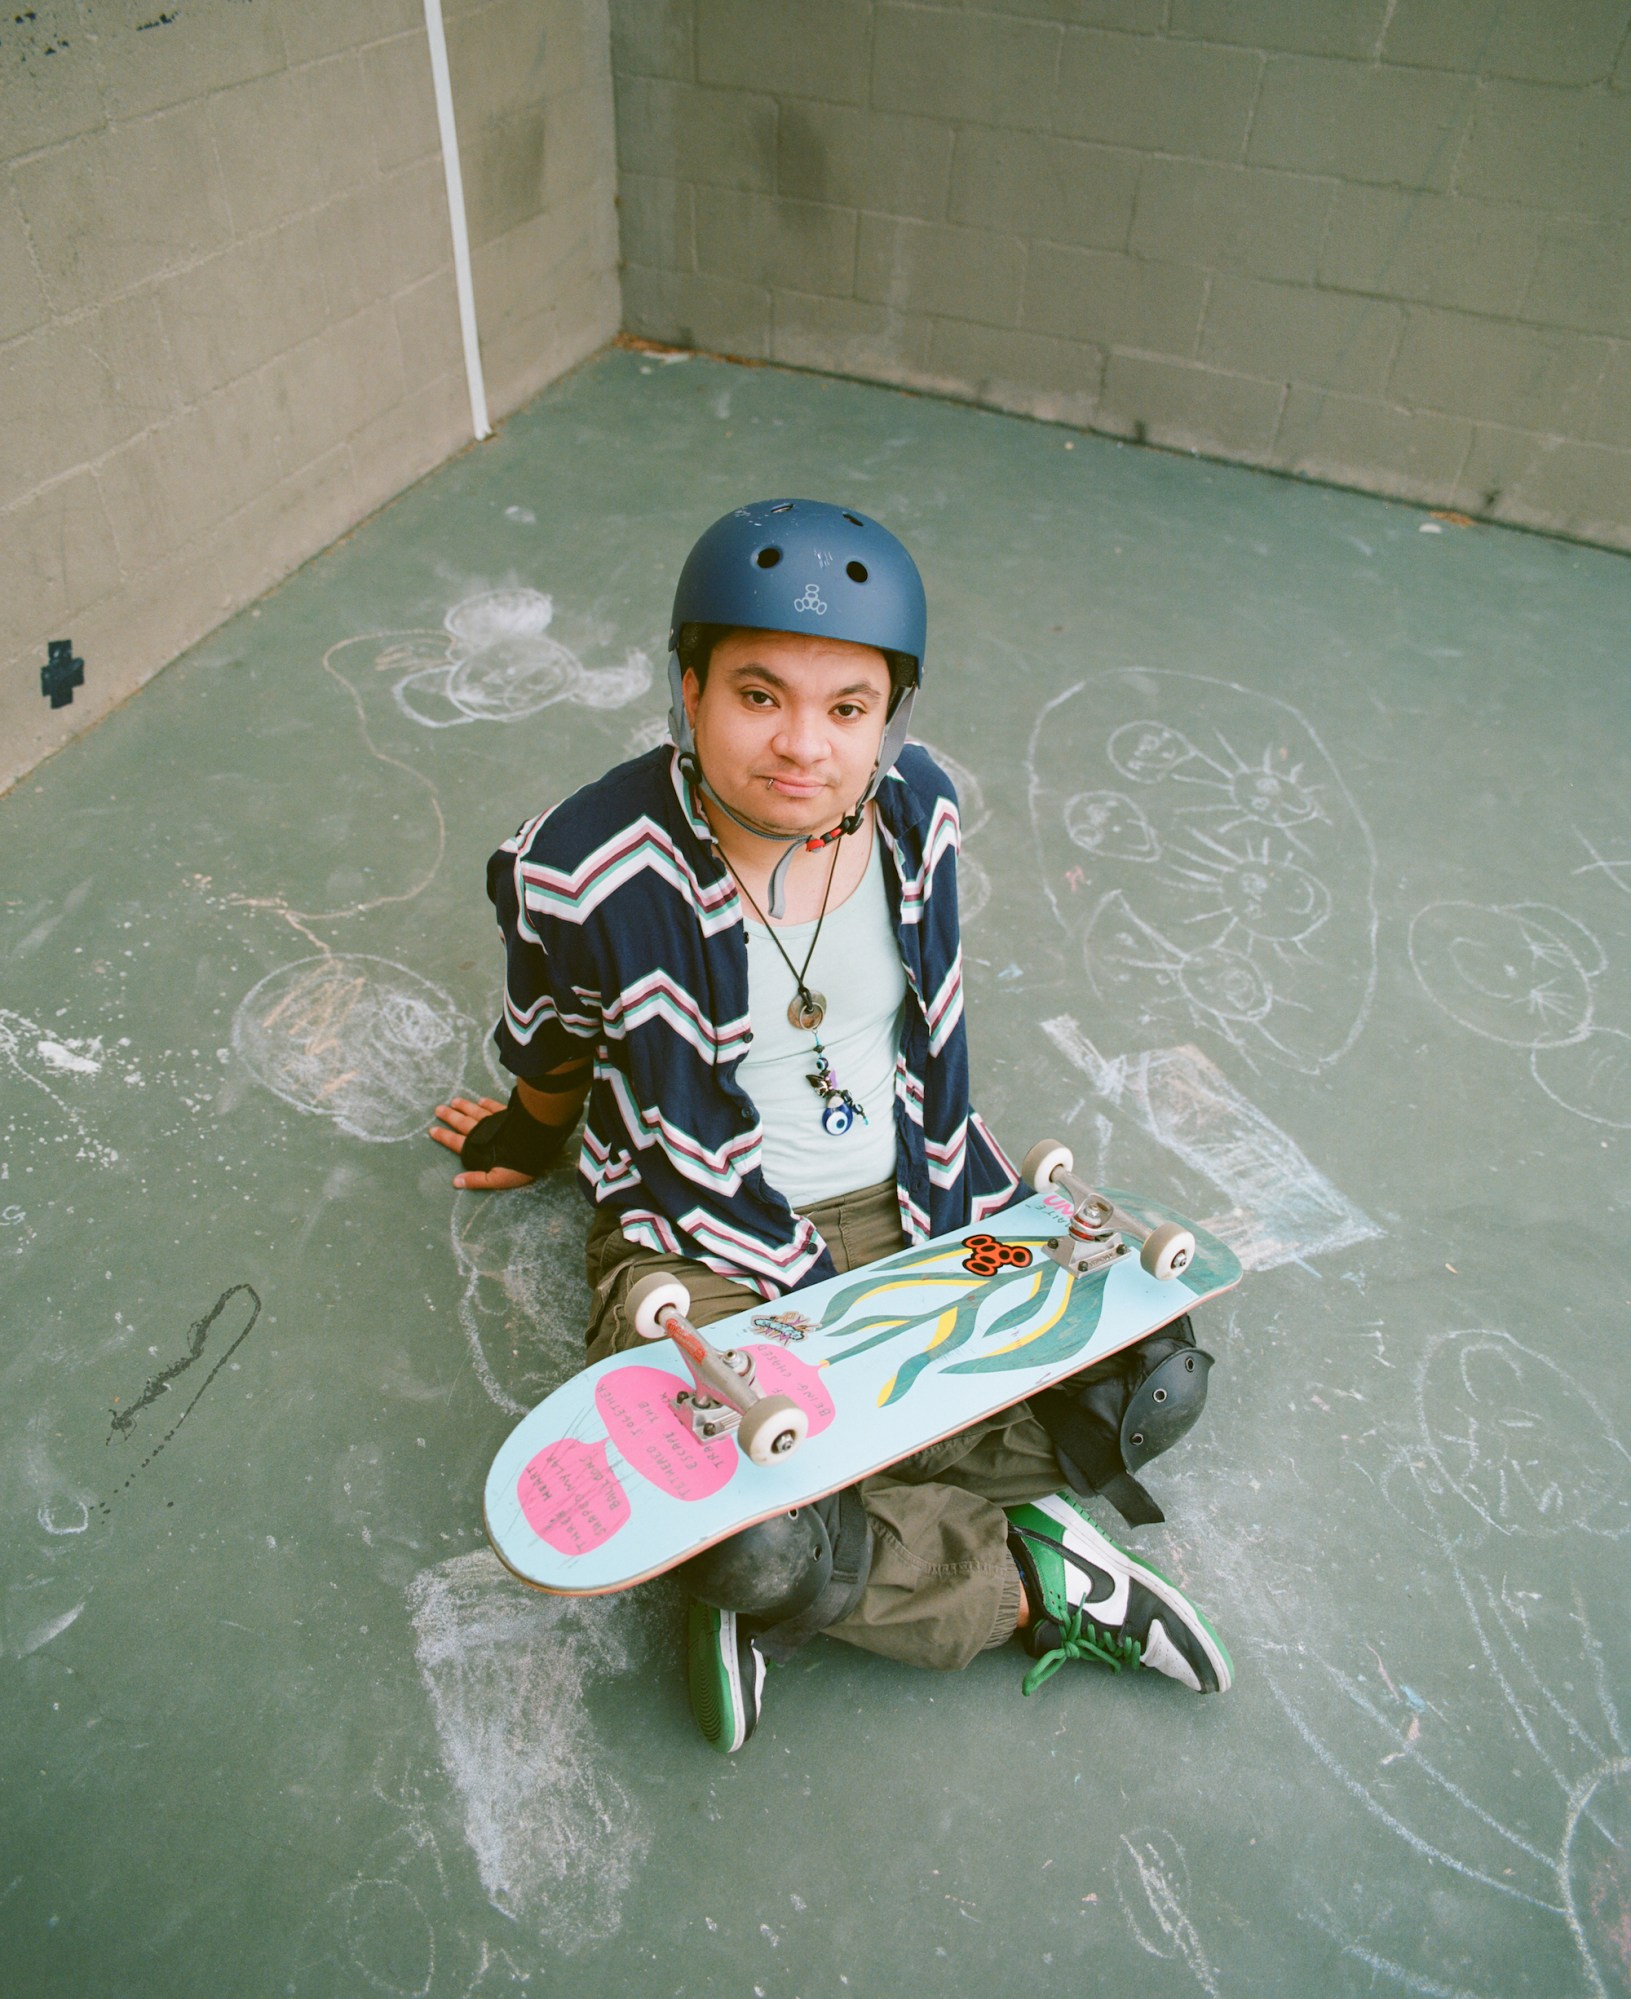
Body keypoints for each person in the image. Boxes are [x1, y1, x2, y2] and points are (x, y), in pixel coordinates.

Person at [430, 499, 1230, 1752]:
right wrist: (527, 1142)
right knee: (739, 1530)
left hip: (926, 1202)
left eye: (847, 708)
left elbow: (916, 1041)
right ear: (687, 688)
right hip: (709, 1232)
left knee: (1152, 1384)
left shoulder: (921, 812)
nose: (802, 745)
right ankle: (1005, 1582)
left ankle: (819, 1562)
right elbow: (556, 1036)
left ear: (886, 718)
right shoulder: (578, 864)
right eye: (759, 694)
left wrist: (995, 1206)